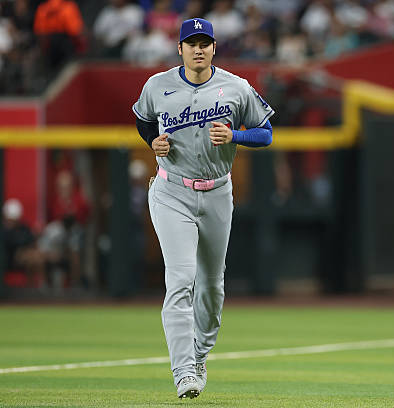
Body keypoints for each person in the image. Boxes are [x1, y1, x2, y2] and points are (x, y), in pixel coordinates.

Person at [132, 17, 274, 399]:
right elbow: (143, 120)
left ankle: (199, 352)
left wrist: (236, 135)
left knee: (211, 287)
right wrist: (152, 144)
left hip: (216, 193)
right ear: (179, 48)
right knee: (180, 281)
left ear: (214, 48)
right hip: (171, 191)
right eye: (191, 42)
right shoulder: (157, 85)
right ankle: (184, 372)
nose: (198, 48)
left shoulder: (236, 87)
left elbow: (266, 132)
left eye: (205, 42)